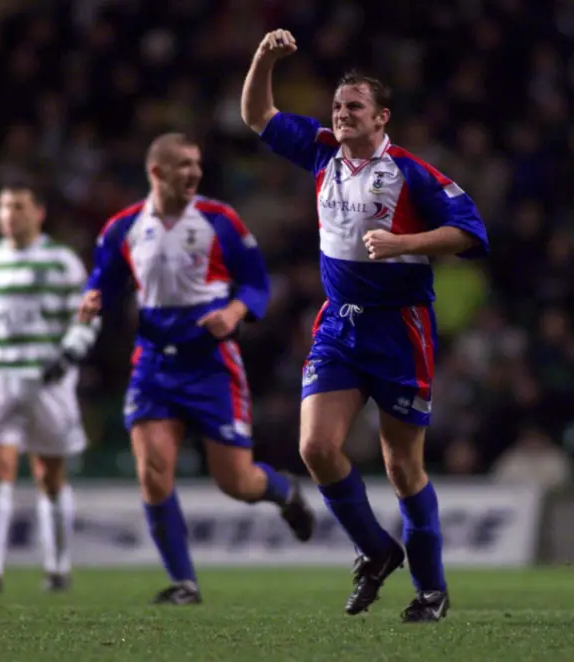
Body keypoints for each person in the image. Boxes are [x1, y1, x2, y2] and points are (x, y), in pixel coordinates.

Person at [241, 30, 489, 622]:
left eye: (353, 106)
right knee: (315, 447)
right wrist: (264, 59)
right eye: (336, 106)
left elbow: (472, 232)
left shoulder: (410, 171)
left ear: (381, 117)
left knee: (403, 467)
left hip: (400, 329)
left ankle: (431, 589)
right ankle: (376, 551)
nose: (341, 114)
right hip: (340, 325)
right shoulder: (322, 151)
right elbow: (256, 115)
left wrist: (407, 241)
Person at [78, 132, 315, 605]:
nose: (194, 173)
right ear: (156, 172)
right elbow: (102, 278)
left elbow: (256, 284)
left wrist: (233, 313)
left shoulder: (219, 220)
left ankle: (284, 492)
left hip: (211, 365)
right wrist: (91, 298)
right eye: (183, 164)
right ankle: (184, 583)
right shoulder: (124, 227)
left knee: (236, 482)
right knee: (153, 470)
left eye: (197, 164)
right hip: (153, 364)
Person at [0, 182, 99, 592]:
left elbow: (86, 316)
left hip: (47, 380)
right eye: (4, 206)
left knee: (50, 474)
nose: (9, 214)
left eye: (19, 206)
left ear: (38, 212)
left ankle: (58, 567)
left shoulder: (61, 262)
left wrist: (69, 355)